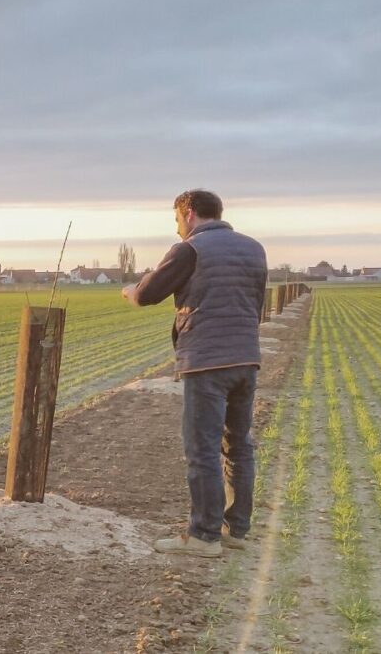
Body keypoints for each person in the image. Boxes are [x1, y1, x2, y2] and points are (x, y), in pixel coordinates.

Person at [123, 189, 267, 558]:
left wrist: (130, 290)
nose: (176, 228)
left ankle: (203, 535)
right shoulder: (254, 248)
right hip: (246, 358)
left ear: (188, 213)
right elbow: (256, 303)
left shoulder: (190, 249)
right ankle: (236, 530)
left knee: (201, 448)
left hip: (206, 362)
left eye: (176, 220)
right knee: (238, 445)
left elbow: (148, 294)